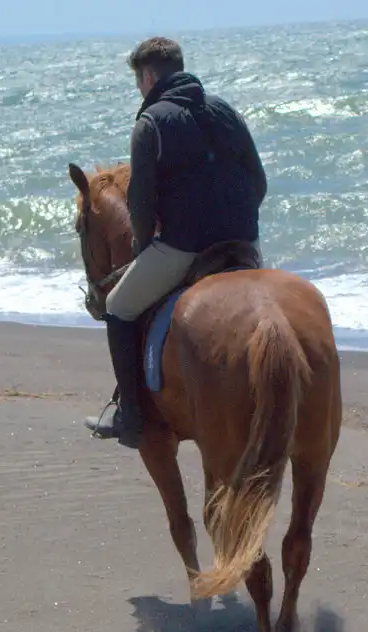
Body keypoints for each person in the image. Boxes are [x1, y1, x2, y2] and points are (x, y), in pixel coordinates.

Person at [85, 36, 268, 449]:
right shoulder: (226, 111)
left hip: (185, 247)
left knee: (119, 307)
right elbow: (259, 182)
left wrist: (143, 248)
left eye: (138, 81)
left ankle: (130, 415)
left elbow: (141, 204)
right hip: (244, 242)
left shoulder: (150, 123)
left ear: (148, 77)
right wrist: (238, 228)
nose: (139, 88)